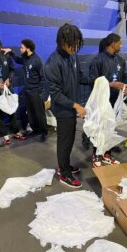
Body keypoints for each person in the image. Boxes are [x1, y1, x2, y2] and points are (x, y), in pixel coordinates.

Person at [45, 23, 88, 188]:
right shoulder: (52, 63)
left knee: (70, 140)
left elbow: (80, 77)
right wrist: (76, 105)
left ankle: (65, 165)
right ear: (62, 41)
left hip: (71, 107)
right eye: (71, 44)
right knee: (65, 141)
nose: (74, 47)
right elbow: (55, 94)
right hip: (63, 110)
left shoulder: (73, 55)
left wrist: (100, 81)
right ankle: (64, 173)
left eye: (77, 44)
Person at [90, 33, 127, 167]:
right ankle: (96, 155)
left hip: (115, 101)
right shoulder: (98, 60)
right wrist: (110, 84)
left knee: (110, 128)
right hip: (102, 101)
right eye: (120, 43)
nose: (121, 45)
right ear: (113, 44)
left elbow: (125, 76)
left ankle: (107, 154)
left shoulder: (120, 60)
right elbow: (92, 81)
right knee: (99, 128)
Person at [2, 39, 48, 142]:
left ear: (28, 48)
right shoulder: (25, 58)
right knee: (30, 113)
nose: (20, 49)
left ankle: (44, 132)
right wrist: (10, 52)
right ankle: (35, 130)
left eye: (22, 47)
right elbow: (18, 60)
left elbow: (43, 78)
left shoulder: (37, 60)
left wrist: (41, 93)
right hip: (28, 91)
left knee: (40, 114)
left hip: (36, 92)